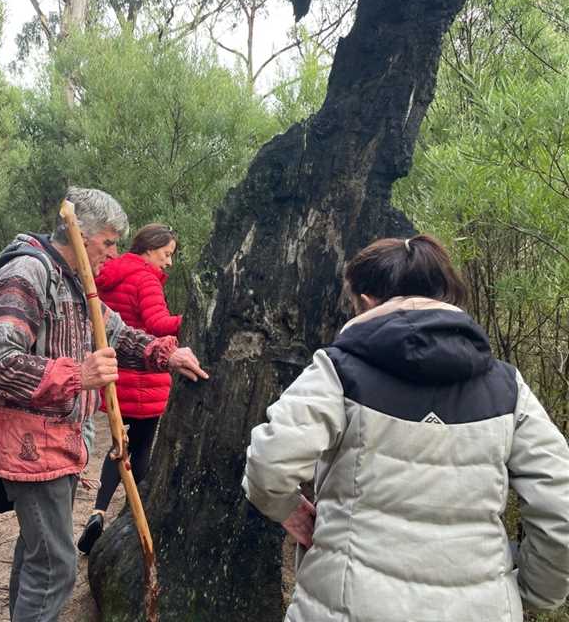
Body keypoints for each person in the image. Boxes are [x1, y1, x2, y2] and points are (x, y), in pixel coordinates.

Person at [243, 234, 569, 622]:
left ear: (364, 301)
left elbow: (269, 465)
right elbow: (560, 506)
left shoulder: (338, 370)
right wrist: (536, 592)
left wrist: (289, 510)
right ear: (446, 297)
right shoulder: (507, 387)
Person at [0, 187, 208, 622]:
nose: (114, 252)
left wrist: (167, 354)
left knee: (38, 550)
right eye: (109, 241)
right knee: (55, 567)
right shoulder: (28, 272)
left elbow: (117, 333)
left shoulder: (76, 281)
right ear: (78, 232)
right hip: (30, 449)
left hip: (60, 445)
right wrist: (77, 376)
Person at [76, 224, 182, 554]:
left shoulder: (108, 275)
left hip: (115, 376)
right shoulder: (145, 278)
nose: (168, 263)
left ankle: (98, 511)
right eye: (166, 254)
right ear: (150, 249)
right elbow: (156, 324)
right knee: (142, 450)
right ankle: (139, 518)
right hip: (146, 378)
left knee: (119, 446)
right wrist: (190, 319)